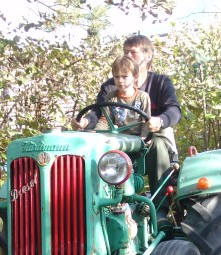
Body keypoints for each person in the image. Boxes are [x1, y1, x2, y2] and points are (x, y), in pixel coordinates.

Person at [73, 35, 182, 214]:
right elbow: (100, 113)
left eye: (133, 52)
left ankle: (160, 209)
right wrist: (85, 122)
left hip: (148, 137)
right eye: (125, 52)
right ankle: (90, 206)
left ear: (148, 56)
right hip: (117, 138)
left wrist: (159, 121)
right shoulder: (111, 88)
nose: (128, 55)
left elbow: (174, 111)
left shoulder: (160, 83)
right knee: (87, 145)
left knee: (158, 144)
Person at [94, 55, 151, 138]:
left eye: (124, 77)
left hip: (136, 139)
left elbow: (146, 123)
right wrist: (97, 134)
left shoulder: (142, 97)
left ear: (135, 77)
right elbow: (105, 120)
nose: (120, 80)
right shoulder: (111, 97)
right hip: (117, 137)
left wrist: (144, 139)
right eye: (117, 77)